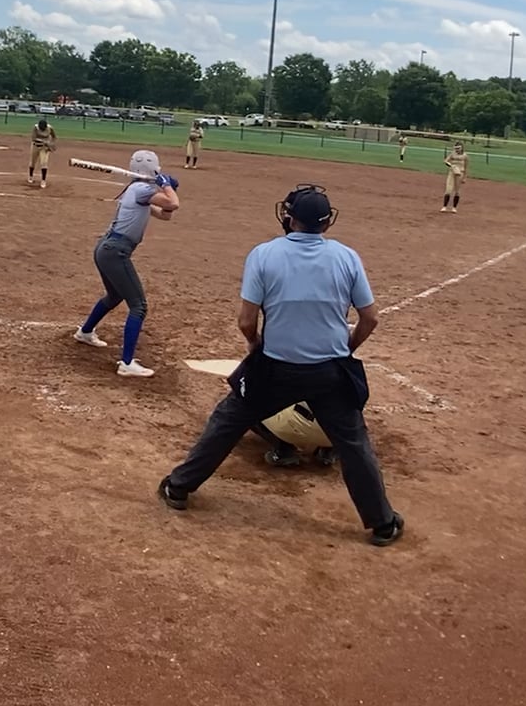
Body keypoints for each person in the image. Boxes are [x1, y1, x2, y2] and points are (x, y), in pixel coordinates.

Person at [157, 183, 403, 546]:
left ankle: (179, 487)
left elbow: (246, 321)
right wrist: (345, 349)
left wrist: (256, 347)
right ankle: (382, 523)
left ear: (290, 219)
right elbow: (370, 319)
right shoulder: (347, 257)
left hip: (275, 367)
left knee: (229, 420)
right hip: (330, 371)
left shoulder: (264, 254)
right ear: (326, 222)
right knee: (353, 443)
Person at [73, 149, 179, 378]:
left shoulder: (137, 190)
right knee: (139, 306)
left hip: (107, 250)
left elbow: (167, 213)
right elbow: (174, 203)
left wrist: (170, 188)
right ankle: (127, 363)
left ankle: (85, 332)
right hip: (115, 252)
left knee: (114, 296)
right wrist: (167, 186)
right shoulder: (142, 190)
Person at [28, 116, 57, 187]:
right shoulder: (36, 128)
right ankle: (30, 176)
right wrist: (44, 141)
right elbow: (33, 138)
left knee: (44, 163)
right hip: (35, 146)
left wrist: (51, 144)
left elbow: (54, 137)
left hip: (44, 148)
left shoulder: (50, 128)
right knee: (33, 162)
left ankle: (43, 180)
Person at [441, 143, 468, 213]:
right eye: (456, 148)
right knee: (448, 190)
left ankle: (454, 208)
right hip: (452, 172)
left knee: (457, 191)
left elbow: (466, 167)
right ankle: (444, 207)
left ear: (462, 148)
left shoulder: (465, 156)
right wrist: (451, 165)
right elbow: (446, 161)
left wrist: (464, 177)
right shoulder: (452, 154)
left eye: (458, 148)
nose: (457, 150)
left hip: (460, 173)